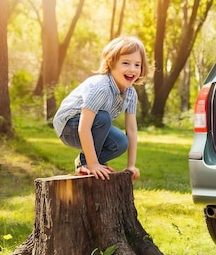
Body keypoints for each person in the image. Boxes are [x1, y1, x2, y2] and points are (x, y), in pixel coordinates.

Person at [52, 35, 150, 181]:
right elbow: (83, 128)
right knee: (103, 117)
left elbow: (132, 130)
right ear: (111, 63)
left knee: (121, 142)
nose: (132, 69)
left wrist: (131, 165)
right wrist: (92, 163)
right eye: (126, 63)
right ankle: (87, 163)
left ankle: (83, 162)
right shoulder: (101, 87)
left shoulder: (130, 93)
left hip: (91, 126)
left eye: (137, 64)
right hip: (69, 126)